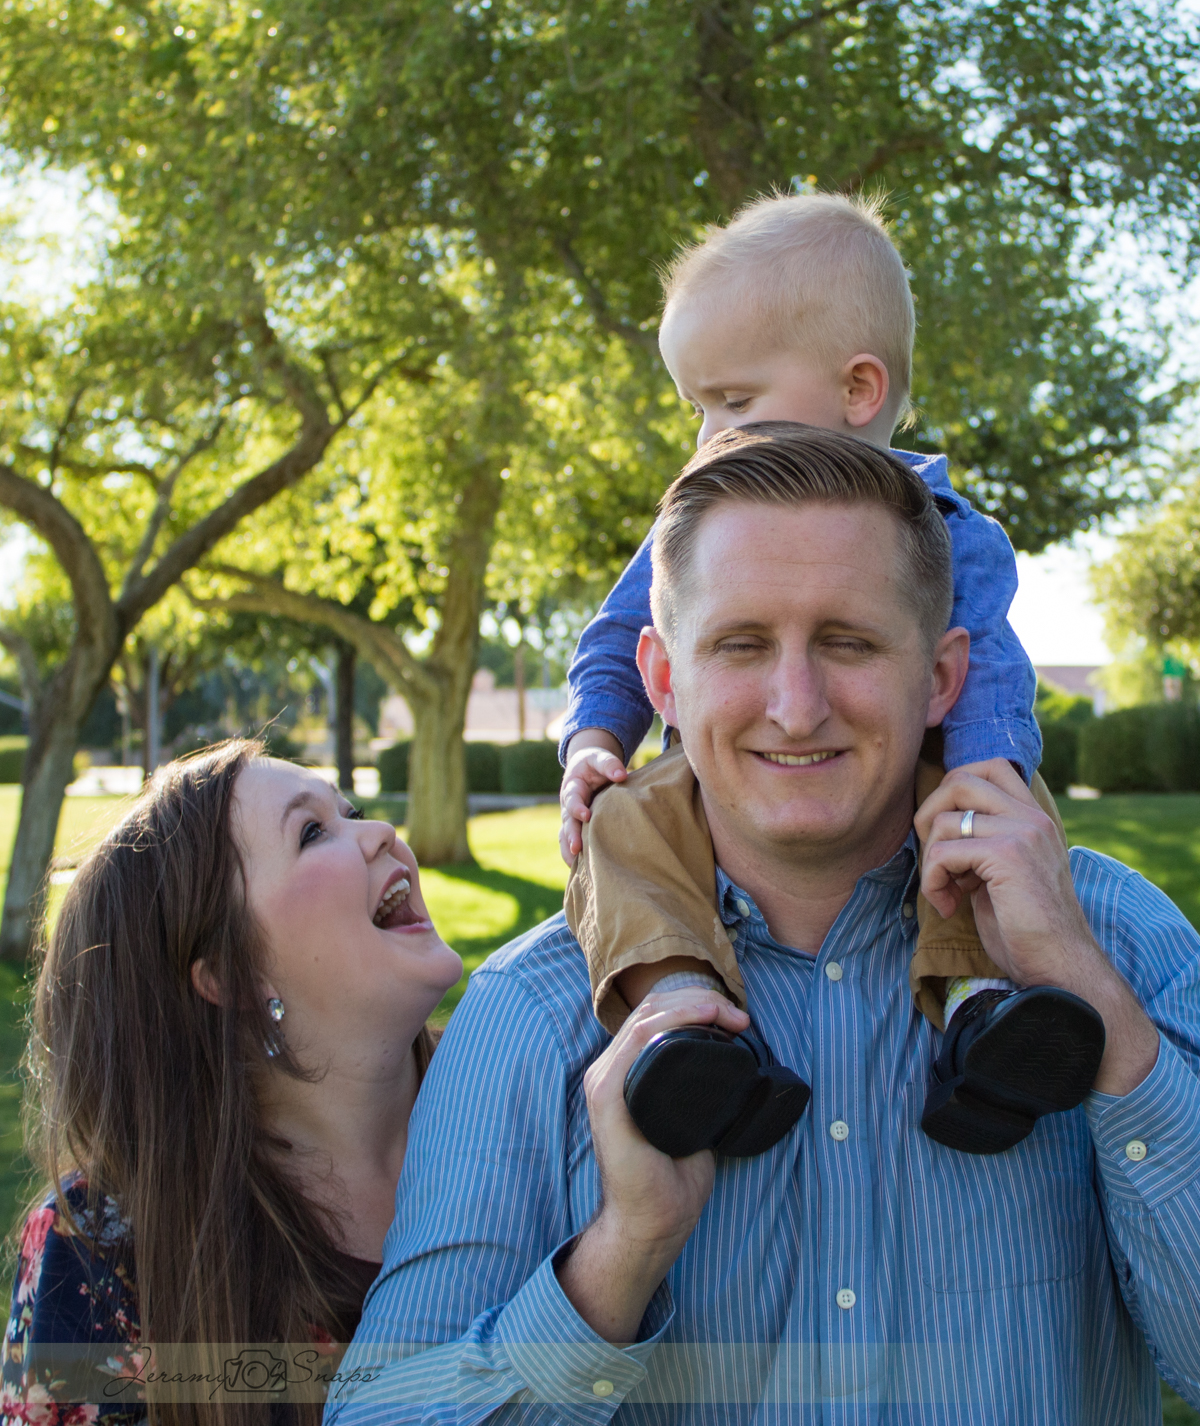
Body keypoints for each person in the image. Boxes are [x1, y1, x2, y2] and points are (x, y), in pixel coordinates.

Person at [326, 426, 1200, 1424]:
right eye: (741, 645)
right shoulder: (531, 1012)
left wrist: (1101, 1015)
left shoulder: (1119, 941)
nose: (796, 707)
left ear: (943, 677)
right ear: (662, 679)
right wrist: (623, 1254)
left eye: (848, 643)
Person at [556, 190, 1103, 1159]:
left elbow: (987, 665)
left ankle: (983, 1012)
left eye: (734, 403)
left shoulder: (952, 530)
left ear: (857, 390)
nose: (708, 438)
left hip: (916, 778)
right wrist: (596, 739)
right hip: (707, 795)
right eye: (699, 409)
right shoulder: (701, 521)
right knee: (622, 824)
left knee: (984, 842)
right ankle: (683, 1013)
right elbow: (615, 638)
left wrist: (988, 770)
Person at [1, 739, 462, 1426]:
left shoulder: (535, 1093)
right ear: (228, 973)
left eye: (353, 812)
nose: (382, 833)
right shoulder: (100, 1252)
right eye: (312, 832)